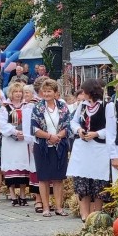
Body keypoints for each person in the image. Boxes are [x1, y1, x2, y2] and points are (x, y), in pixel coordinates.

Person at [68, 79, 116, 220]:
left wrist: (96, 133)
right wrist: (79, 129)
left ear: (91, 92)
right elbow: (73, 121)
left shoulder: (107, 105)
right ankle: (84, 214)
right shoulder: (82, 106)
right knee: (82, 181)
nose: (82, 94)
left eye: (84, 91)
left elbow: (111, 129)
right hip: (83, 149)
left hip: (99, 149)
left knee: (98, 182)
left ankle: (96, 215)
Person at [31, 78, 72, 217]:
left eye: (50, 91)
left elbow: (68, 125)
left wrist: (58, 137)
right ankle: (46, 208)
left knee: (58, 178)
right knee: (43, 178)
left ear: (55, 93)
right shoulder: (37, 107)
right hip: (42, 146)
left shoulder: (63, 106)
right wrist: (49, 137)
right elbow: (34, 128)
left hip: (59, 146)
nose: (47, 94)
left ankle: (59, 207)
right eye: (45, 91)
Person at [0, 82, 31, 206]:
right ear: (10, 93)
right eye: (15, 92)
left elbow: (30, 121)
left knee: (23, 167)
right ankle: (12, 195)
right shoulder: (5, 107)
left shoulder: (27, 106)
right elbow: (3, 124)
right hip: (10, 142)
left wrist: (25, 132)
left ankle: (23, 195)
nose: (18, 94)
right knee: (11, 167)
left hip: (23, 141)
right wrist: (15, 131)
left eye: (20, 92)